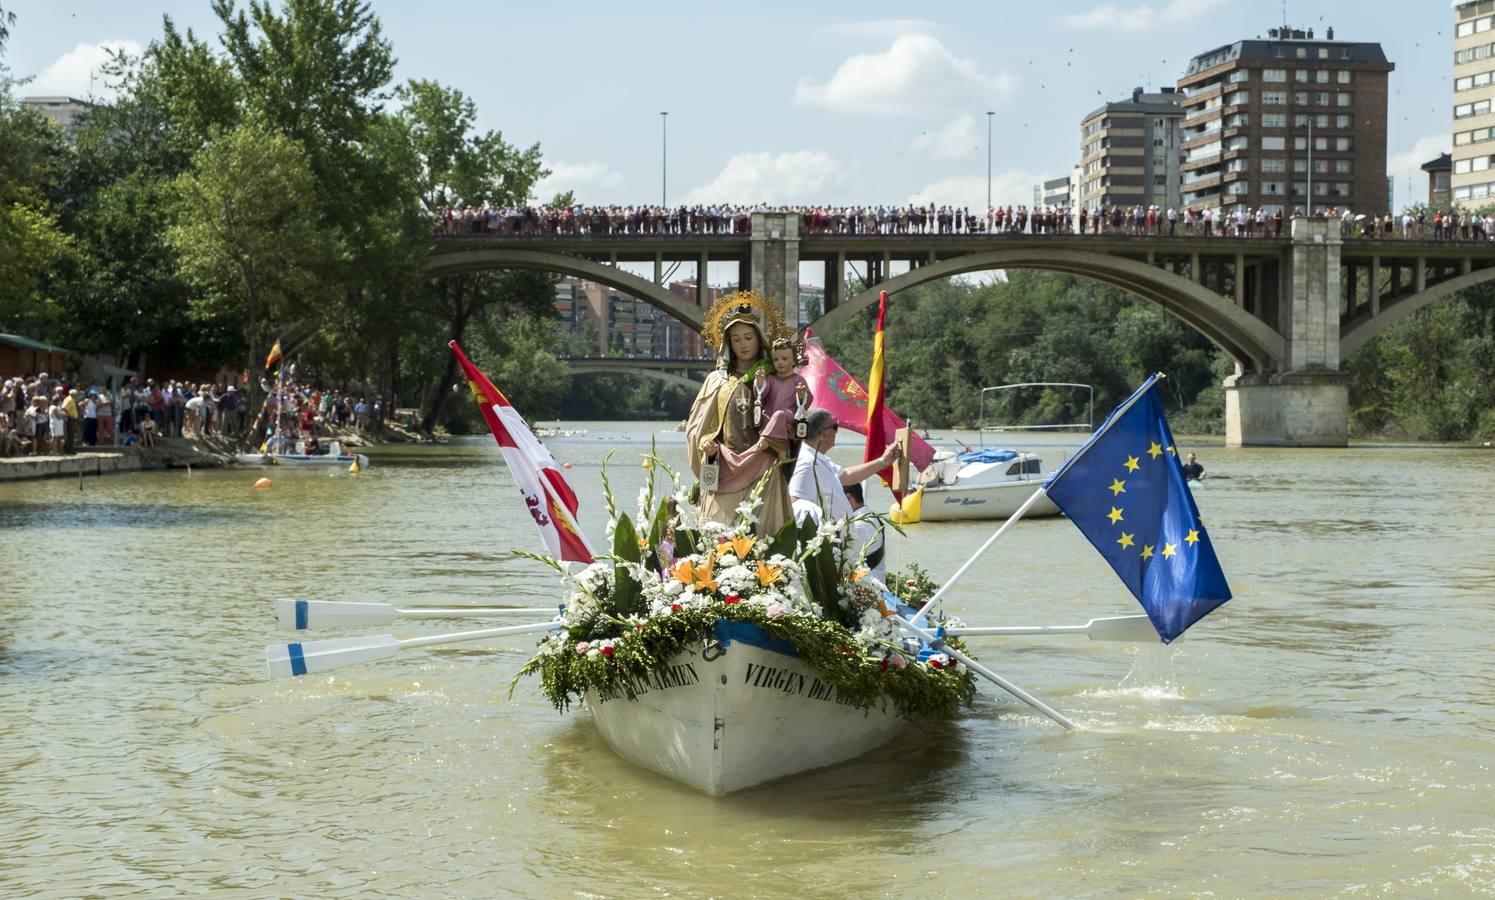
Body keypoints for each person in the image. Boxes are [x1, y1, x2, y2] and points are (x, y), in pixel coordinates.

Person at [684, 291, 795, 534]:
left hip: (763, 465)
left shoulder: (776, 378)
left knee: (763, 540)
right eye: (736, 339)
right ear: (728, 344)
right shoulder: (717, 380)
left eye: (748, 337)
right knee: (717, 537)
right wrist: (705, 442)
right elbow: (698, 427)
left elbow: (792, 420)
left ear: (759, 340)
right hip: (724, 465)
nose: (743, 345)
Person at [789, 408, 901, 526]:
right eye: (835, 427)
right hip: (823, 540)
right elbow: (796, 506)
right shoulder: (807, 463)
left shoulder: (816, 459)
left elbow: (847, 476)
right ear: (823, 434)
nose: (837, 432)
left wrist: (883, 461)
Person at [844, 482, 886, 585]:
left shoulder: (856, 525)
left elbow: (846, 562)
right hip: (877, 582)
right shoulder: (873, 517)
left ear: (848, 498)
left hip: (865, 589)